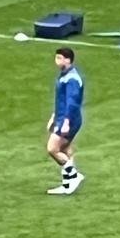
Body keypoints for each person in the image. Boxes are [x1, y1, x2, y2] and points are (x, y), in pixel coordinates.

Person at [46, 46, 84, 195]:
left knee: (52, 148)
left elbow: (72, 102)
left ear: (68, 60)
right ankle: (69, 182)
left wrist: (66, 121)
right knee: (65, 149)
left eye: (59, 58)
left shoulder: (72, 79)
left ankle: (73, 177)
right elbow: (61, 100)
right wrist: (54, 116)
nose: (56, 61)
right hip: (63, 117)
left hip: (69, 119)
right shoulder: (64, 75)